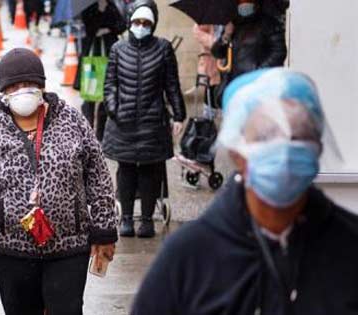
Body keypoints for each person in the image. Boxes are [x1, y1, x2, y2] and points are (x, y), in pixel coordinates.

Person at [131, 68, 358, 315]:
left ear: (317, 146)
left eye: (298, 134)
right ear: (237, 153)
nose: (284, 149)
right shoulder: (188, 257)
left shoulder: (349, 244)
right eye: (266, 135)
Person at [0, 48, 119, 315]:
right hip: (10, 250)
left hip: (69, 245)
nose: (23, 91)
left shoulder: (72, 120)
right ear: (4, 92)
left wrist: (104, 230)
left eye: (29, 84)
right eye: (15, 86)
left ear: (42, 86)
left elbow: (98, 176)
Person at [103, 0, 186, 238]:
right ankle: (127, 218)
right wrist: (114, 109)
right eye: (137, 21)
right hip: (124, 122)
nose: (141, 26)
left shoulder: (163, 48)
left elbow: (172, 85)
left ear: (153, 24)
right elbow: (110, 84)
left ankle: (148, 219)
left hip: (153, 122)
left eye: (146, 22)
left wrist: (179, 114)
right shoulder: (118, 49)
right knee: (126, 169)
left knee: (151, 171)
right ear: (130, 22)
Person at [211, 0, 287, 103]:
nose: (243, 4)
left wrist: (258, 71)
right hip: (234, 86)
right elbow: (217, 52)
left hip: (258, 87)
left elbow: (279, 52)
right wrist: (226, 36)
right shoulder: (234, 24)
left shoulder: (269, 24)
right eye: (240, 1)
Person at [73, 0, 125, 141]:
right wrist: (101, 15)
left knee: (106, 92)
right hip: (92, 53)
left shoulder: (112, 6)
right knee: (90, 93)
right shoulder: (88, 7)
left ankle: (101, 134)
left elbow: (122, 26)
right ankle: (88, 132)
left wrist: (108, 28)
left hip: (109, 51)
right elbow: (90, 29)